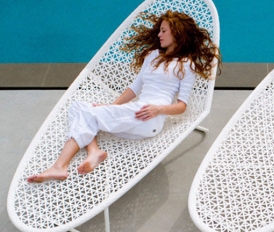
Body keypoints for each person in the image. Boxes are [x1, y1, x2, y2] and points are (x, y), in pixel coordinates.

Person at [27, 10, 221, 183]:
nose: (159, 35)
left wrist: (158, 109)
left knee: (86, 113)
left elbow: (182, 106)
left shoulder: (186, 64)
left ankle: (60, 166)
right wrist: (111, 107)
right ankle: (93, 152)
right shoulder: (153, 55)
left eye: (164, 31)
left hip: (149, 117)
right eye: (159, 30)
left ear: (177, 33)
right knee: (78, 106)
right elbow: (134, 88)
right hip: (134, 115)